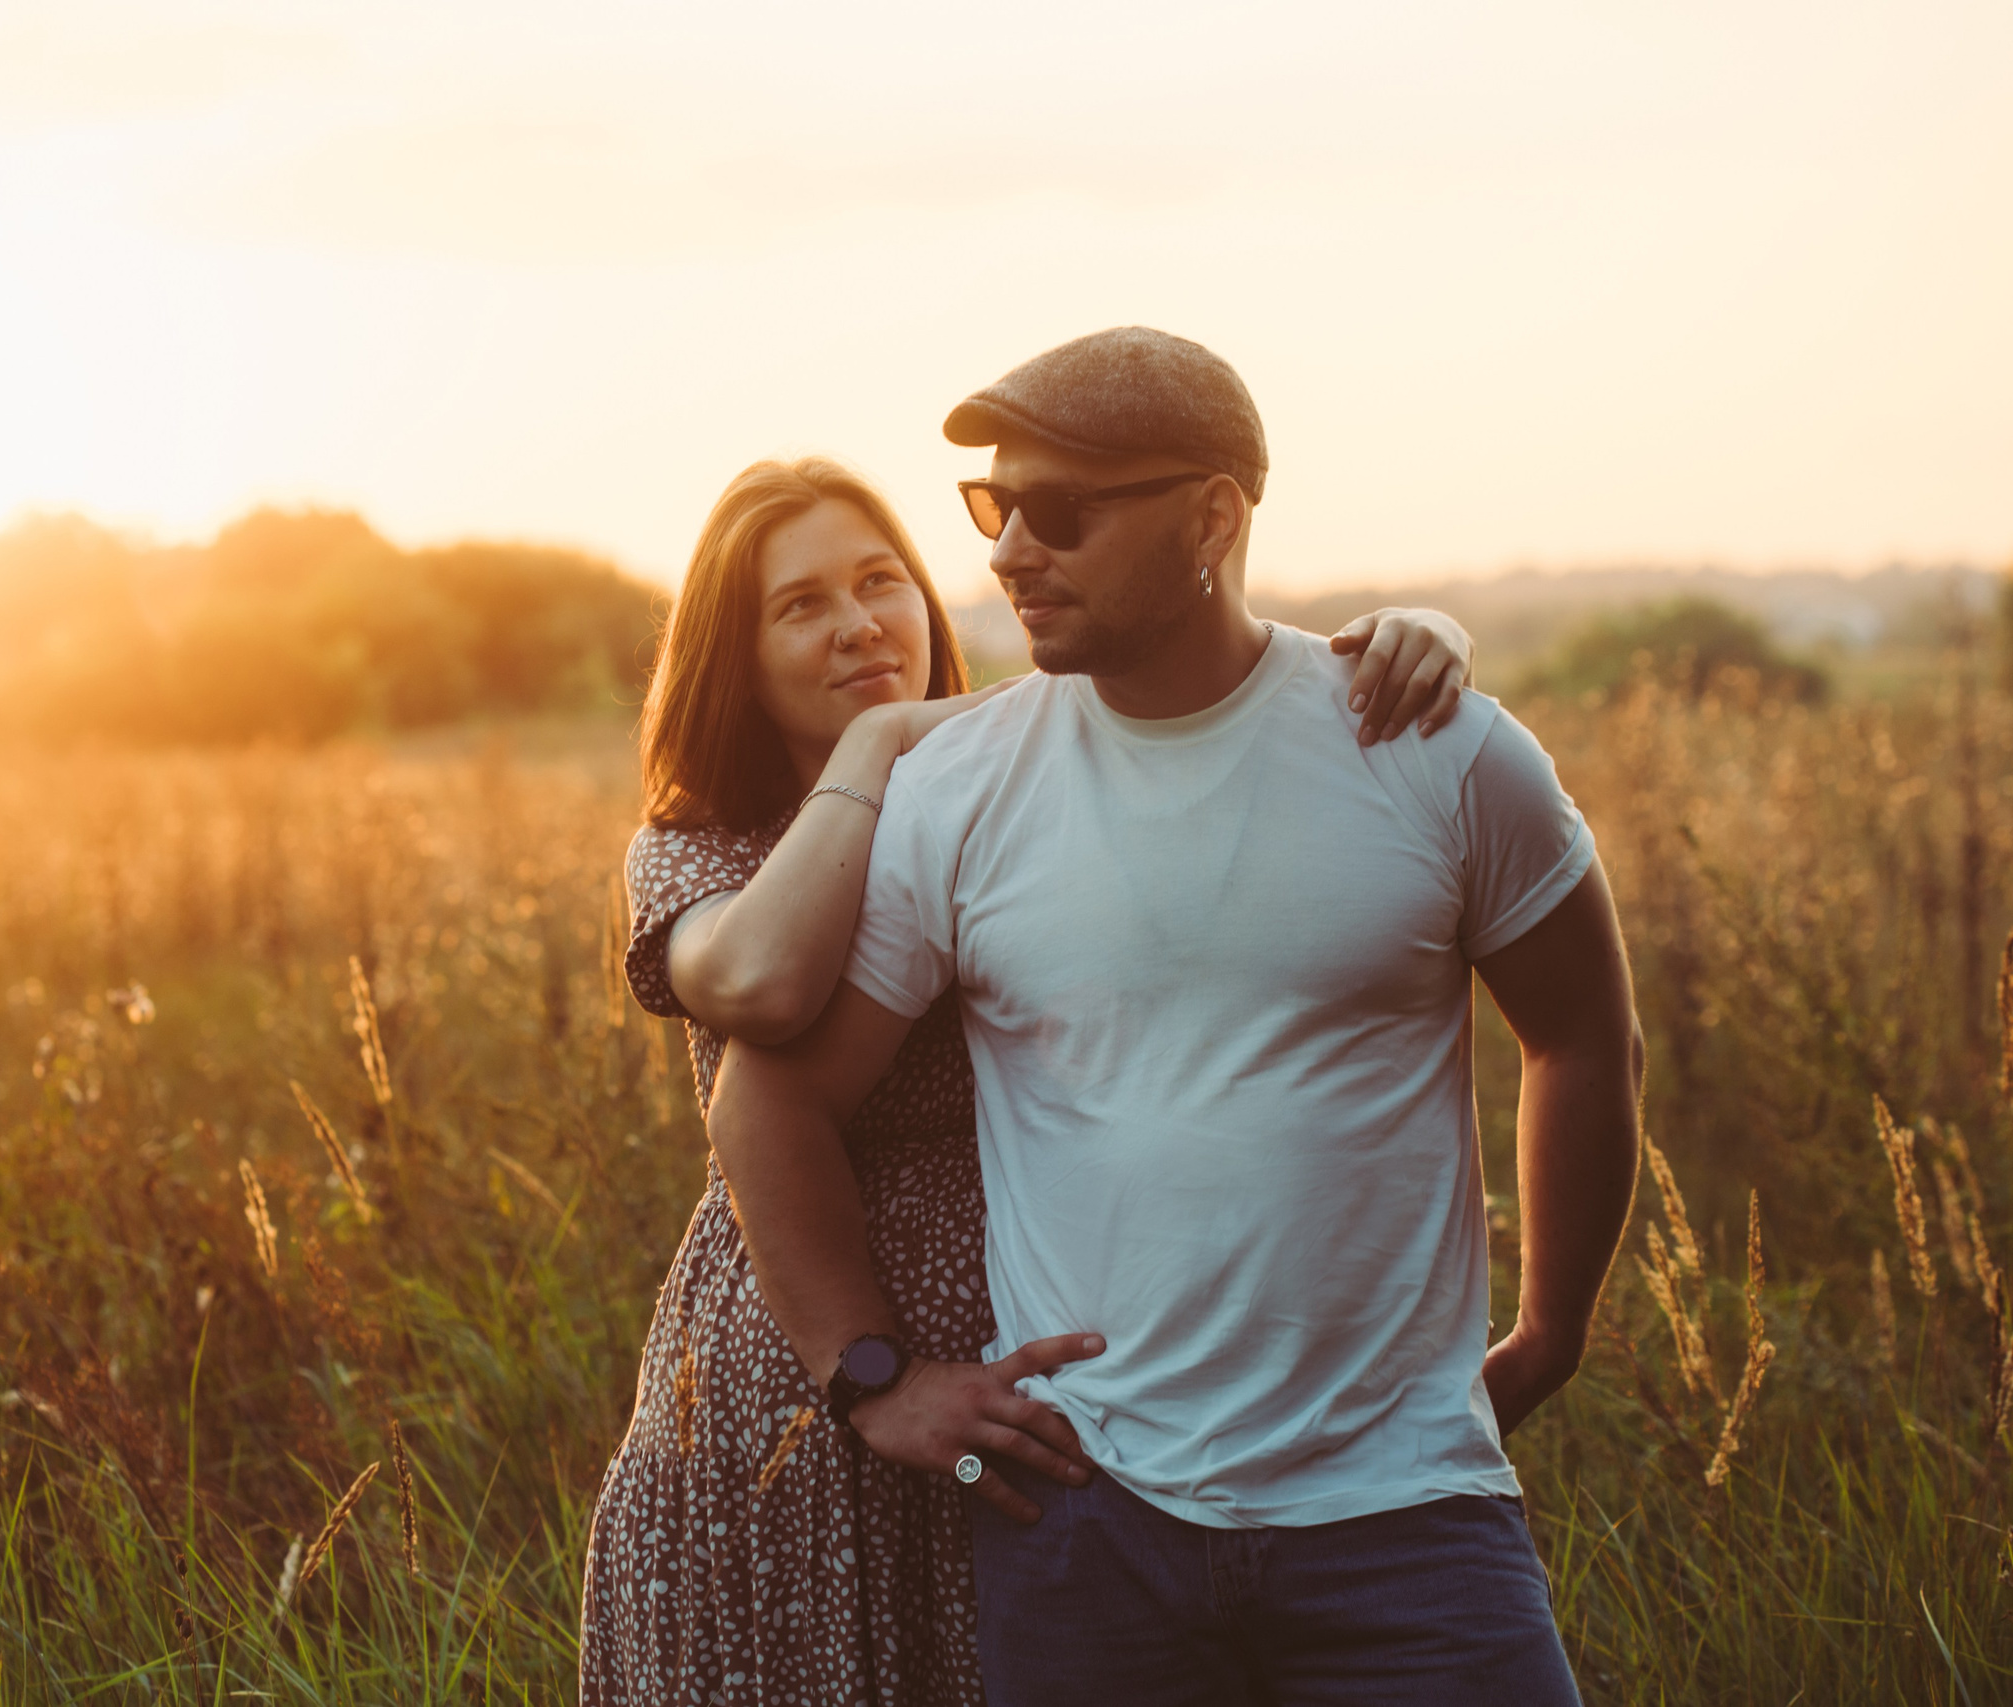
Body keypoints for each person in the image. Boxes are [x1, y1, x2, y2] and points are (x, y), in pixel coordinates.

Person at [704, 327, 1644, 1705]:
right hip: (1089, 1522)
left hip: (1406, 1517)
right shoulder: (960, 788)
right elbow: (767, 1095)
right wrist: (876, 1378)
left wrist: (1555, 1330)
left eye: (1063, 510)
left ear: (1212, 516)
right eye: (994, 506)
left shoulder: (1435, 747)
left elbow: (1582, 1032)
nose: (1011, 549)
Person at [577, 449, 1481, 1705]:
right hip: (806, 1371)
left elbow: (1195, 691)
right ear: (734, 655)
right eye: (799, 606)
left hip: (1042, 1381)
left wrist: (1399, 638)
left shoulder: (1012, 774)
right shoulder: (695, 851)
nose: (857, 627)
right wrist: (886, 739)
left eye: (879, 582)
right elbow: (768, 988)